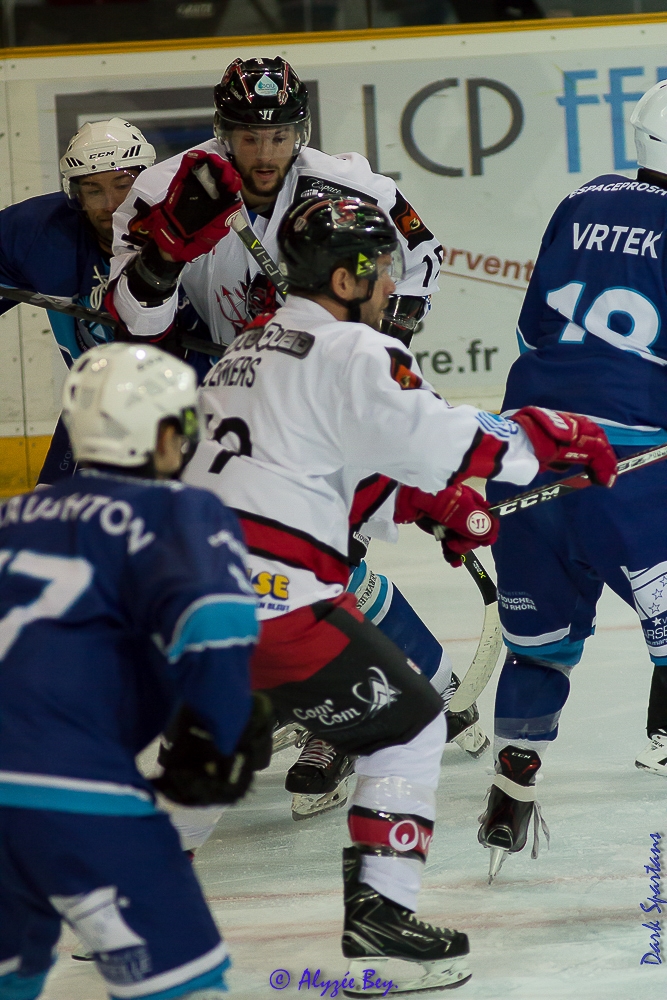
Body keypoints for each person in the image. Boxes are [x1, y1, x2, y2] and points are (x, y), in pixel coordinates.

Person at [180, 196, 615, 994]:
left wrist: (429, 504)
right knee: (412, 723)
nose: (390, 282)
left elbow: (331, 474)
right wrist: (553, 442)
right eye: (381, 267)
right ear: (348, 274)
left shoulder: (249, 349)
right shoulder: (351, 350)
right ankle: (380, 919)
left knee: (217, 743)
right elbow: (446, 438)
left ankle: (131, 901)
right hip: (276, 601)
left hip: (187, 600)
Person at [108, 55, 492, 824]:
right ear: (222, 134)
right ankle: (413, 689)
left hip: (316, 385)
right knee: (257, 568)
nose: (263, 152)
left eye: (279, 134)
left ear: (300, 131)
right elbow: (133, 321)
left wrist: (377, 347)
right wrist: (161, 257)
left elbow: (423, 258)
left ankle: (336, 721)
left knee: (323, 554)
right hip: (222, 393)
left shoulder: (353, 188)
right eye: (247, 136)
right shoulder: (162, 192)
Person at [0, 341, 272, 1000]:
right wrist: (223, 728)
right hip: (71, 788)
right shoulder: (180, 509)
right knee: (184, 984)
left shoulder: (11, 517)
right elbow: (211, 629)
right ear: (164, 433)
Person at [479, 77, 667, 884]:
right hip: (629, 472)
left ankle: (508, 784)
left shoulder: (581, 197)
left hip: (523, 454)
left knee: (542, 647)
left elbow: (530, 327)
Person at [0, 118, 157, 484]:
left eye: (123, 185)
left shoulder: (188, 233)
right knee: (50, 532)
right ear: (75, 195)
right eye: (93, 190)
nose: (112, 205)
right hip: (96, 411)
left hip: (189, 413)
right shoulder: (38, 234)